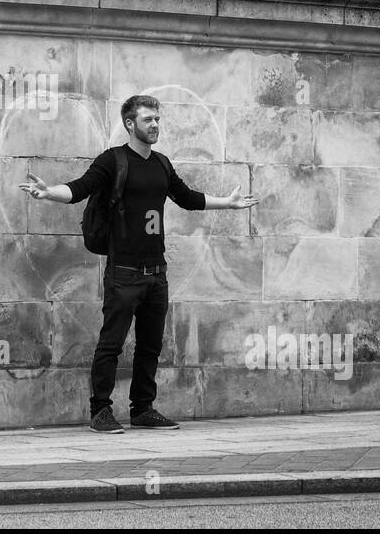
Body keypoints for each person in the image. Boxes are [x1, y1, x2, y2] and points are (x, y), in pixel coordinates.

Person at [19, 95, 259, 433]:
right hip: (123, 272)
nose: (155, 125)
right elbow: (79, 188)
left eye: (158, 119)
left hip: (156, 272)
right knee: (111, 344)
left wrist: (228, 204)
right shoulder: (113, 161)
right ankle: (100, 410)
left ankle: (143, 408)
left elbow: (187, 198)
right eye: (148, 120)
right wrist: (50, 192)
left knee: (151, 345)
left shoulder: (161, 163)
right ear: (130, 124)